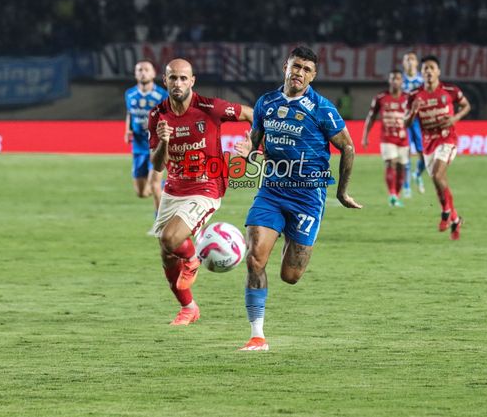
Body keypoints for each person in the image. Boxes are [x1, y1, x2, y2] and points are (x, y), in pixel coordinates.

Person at [236, 46, 361, 351]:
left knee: (290, 276)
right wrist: (247, 151)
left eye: (306, 69)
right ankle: (257, 335)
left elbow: (348, 147)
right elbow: (255, 143)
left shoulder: (322, 108)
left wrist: (341, 191)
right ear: (285, 67)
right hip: (272, 191)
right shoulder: (266, 102)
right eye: (296, 66)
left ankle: (290, 237)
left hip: (308, 197)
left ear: (313, 75)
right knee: (254, 259)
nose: (299, 73)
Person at [148, 58, 253, 326]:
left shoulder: (210, 107)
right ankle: (189, 308)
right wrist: (163, 141)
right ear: (165, 81)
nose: (178, 83)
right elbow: (158, 164)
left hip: (207, 186)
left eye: (184, 78)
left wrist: (254, 144)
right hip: (174, 188)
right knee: (166, 252)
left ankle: (193, 257)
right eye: (173, 78)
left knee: (171, 239)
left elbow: (252, 114)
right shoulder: (157, 115)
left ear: (192, 81)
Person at [406, 55, 470, 241]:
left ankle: (445, 213)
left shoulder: (450, 90)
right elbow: (406, 122)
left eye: (431, 68)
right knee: (438, 181)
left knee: (437, 175)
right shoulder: (414, 95)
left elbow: (466, 105)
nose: (428, 71)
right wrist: (413, 112)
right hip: (428, 144)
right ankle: (456, 220)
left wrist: (455, 118)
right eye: (425, 68)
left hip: (447, 139)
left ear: (438, 72)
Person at [125, 60, 168, 215]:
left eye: (146, 69)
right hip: (137, 146)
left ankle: (160, 223)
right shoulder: (129, 94)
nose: (143, 72)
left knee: (154, 186)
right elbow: (130, 113)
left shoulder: (162, 95)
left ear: (153, 73)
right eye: (139, 69)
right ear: (135, 73)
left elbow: (169, 117)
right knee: (142, 192)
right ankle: (163, 184)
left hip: (155, 146)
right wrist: (127, 130)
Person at [363, 69, 409, 207]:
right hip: (387, 138)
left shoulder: (408, 98)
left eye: (398, 78)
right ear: (389, 80)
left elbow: (415, 117)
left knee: (401, 167)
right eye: (393, 78)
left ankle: (396, 195)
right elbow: (371, 117)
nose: (395, 81)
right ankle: (392, 194)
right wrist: (365, 136)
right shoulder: (381, 97)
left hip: (403, 139)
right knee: (391, 163)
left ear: (402, 81)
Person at [401, 51, 425, 196]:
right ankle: (407, 186)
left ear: (417, 63)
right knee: (406, 153)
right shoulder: (400, 80)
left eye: (412, 59)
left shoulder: (423, 81)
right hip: (404, 121)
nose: (410, 62)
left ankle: (417, 174)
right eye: (407, 59)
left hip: (420, 121)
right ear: (403, 63)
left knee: (424, 154)